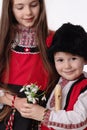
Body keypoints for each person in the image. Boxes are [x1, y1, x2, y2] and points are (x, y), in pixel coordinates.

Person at [19, 23, 87, 130]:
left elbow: (80, 121)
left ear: (85, 59)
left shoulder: (85, 87)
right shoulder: (55, 81)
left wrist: (44, 115)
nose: (67, 66)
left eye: (73, 58)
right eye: (60, 60)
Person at [0, 0, 54, 130]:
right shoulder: (2, 40)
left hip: (43, 117)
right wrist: (14, 101)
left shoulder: (55, 39)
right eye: (20, 7)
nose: (28, 12)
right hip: (8, 118)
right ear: (10, 10)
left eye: (33, 5)